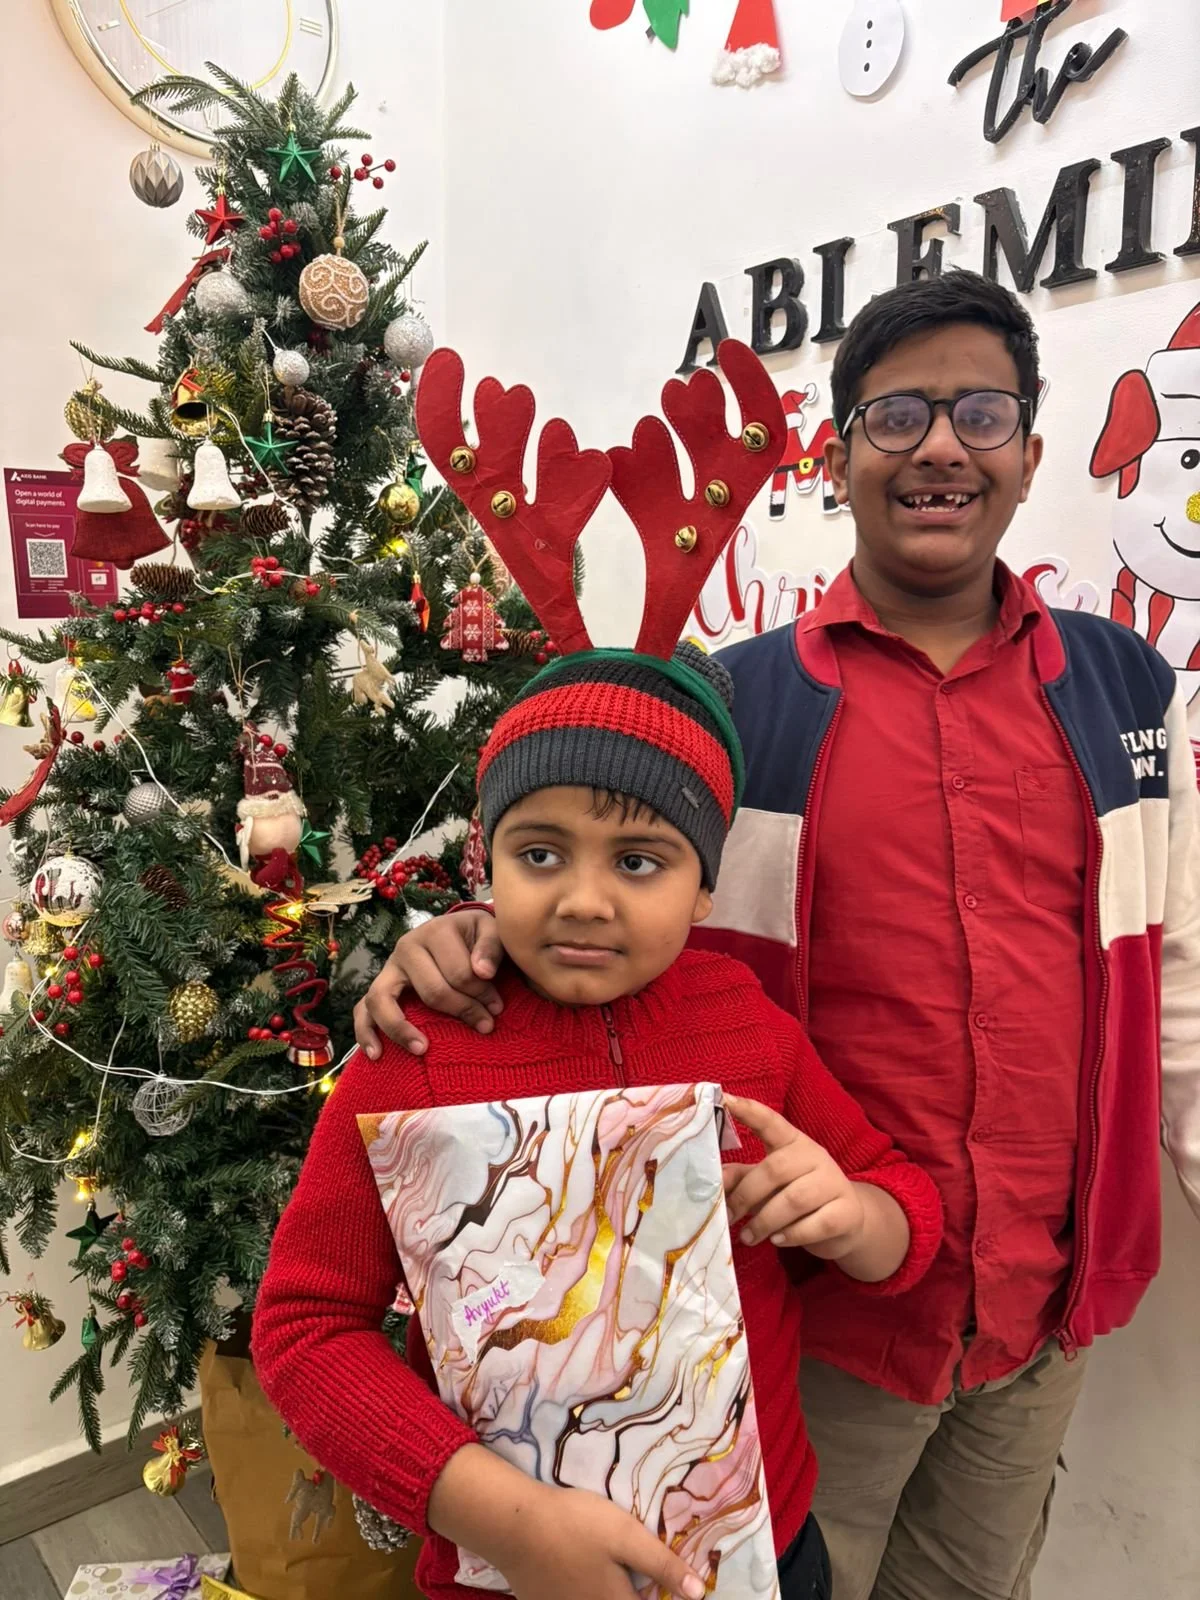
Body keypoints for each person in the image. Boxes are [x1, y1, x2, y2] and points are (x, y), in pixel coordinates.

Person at [354, 271, 1200, 1600]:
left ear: (1032, 455)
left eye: (981, 414)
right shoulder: (740, 703)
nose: (940, 446)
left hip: (1042, 1310)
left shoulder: (1126, 689)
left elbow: (1175, 968)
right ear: (838, 457)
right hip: (808, 1321)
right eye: (896, 415)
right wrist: (472, 935)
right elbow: (616, 895)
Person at [254, 640, 943, 1600]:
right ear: (487, 859)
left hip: (765, 1550)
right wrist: (508, 1522)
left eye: (639, 861)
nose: (584, 900)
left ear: (705, 886)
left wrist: (856, 1217)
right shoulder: (415, 1053)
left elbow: (901, 1201)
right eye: (539, 854)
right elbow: (306, 1328)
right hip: (517, 1575)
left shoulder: (746, 1023)